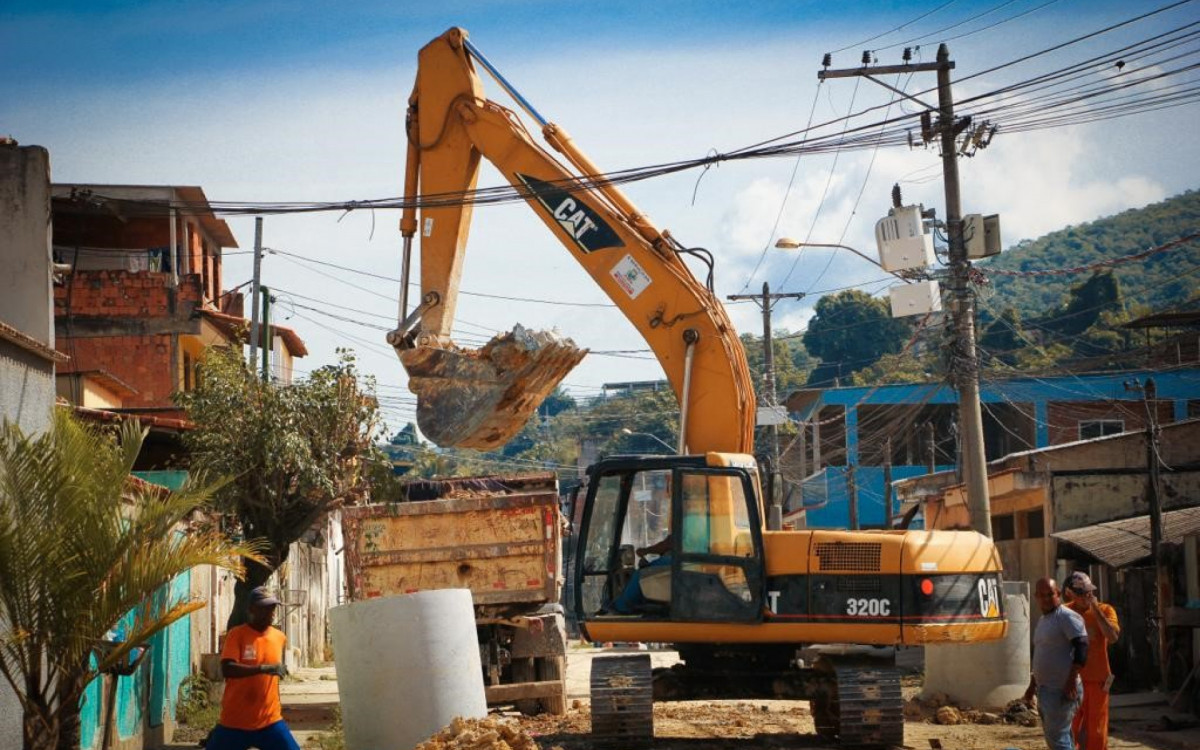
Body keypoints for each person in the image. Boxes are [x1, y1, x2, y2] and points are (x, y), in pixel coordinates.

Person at [205, 587, 300, 750]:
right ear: (251, 609)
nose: (269, 612)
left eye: (272, 608)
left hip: (270, 721)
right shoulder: (237, 635)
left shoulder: (279, 637)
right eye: (263, 608)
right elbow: (228, 669)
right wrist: (263, 668)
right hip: (235, 722)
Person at [1024, 577, 1089, 750]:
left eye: (1050, 594)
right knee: (1061, 738)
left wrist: (1070, 681)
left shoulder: (1066, 617)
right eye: (1041, 595)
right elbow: (1042, 655)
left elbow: (1081, 648)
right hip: (1046, 689)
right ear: (1036, 596)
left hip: (1061, 690)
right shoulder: (1044, 620)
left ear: (1058, 594)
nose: (1045, 598)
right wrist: (1032, 686)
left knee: (1057, 740)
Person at [1064, 571, 1120, 750]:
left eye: (1088, 591)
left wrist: (1095, 610)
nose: (1086, 596)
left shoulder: (1105, 610)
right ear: (1069, 593)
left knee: (1096, 729)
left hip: (1098, 681)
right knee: (1069, 728)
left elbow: (1112, 637)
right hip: (1071, 681)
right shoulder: (1064, 613)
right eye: (1081, 593)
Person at [611, 534, 672, 614]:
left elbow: (664, 546)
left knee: (641, 574)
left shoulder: (681, 533)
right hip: (686, 562)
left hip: (677, 561)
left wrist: (644, 552)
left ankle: (622, 607)